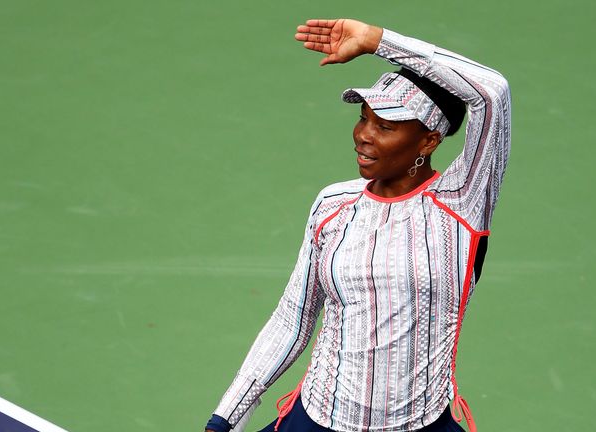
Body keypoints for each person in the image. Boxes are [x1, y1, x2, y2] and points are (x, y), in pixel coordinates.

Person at [204, 18, 511, 432]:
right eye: (364, 118)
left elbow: (492, 92)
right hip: (316, 420)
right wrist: (226, 417)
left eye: (385, 126)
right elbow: (293, 319)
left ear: (428, 141)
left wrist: (378, 41)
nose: (364, 135)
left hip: (420, 423)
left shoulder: (462, 201)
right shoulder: (334, 204)